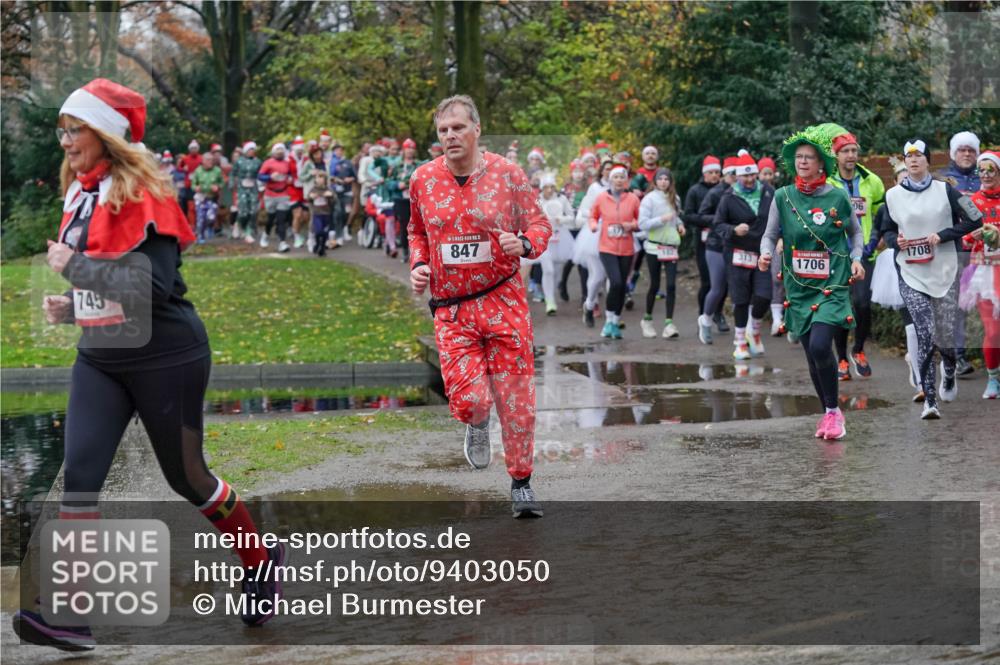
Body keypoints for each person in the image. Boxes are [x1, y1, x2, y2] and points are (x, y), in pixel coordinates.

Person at [15, 80, 284, 651]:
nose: (65, 142)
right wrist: (73, 308)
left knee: (188, 478)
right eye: (61, 131)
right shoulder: (79, 195)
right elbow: (104, 281)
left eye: (75, 129)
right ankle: (70, 617)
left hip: (168, 356)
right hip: (101, 358)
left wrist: (74, 269)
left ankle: (260, 560)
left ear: (106, 134)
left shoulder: (147, 195)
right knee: (80, 479)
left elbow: (153, 287)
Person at [408, 95, 550, 518]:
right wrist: (418, 264)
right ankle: (476, 420)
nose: (450, 136)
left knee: (517, 400)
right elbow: (417, 232)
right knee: (471, 399)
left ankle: (522, 484)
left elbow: (540, 224)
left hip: (504, 301)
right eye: (443, 130)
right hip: (453, 310)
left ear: (477, 129)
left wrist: (524, 243)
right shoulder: (423, 179)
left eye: (458, 127)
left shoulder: (508, 174)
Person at [759, 124, 866, 440]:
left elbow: (855, 232)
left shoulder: (837, 196)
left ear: (822, 163)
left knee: (821, 345)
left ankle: (833, 413)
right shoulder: (783, 196)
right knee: (812, 353)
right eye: (798, 157)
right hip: (799, 287)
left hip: (832, 283)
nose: (802, 162)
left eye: (809, 157)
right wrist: (766, 253)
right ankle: (829, 412)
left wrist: (857, 258)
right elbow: (769, 235)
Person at [879, 138, 982, 419]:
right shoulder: (892, 195)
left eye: (919, 156)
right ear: (904, 161)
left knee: (945, 335)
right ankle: (930, 401)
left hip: (945, 270)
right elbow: (886, 230)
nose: (913, 160)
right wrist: (895, 241)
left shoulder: (945, 190)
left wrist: (944, 235)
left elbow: (975, 219)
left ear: (928, 161)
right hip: (911, 271)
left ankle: (949, 370)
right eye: (908, 156)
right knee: (924, 332)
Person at [826, 128, 885, 380]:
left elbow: (882, 213)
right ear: (836, 156)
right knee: (841, 308)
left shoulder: (872, 181)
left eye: (854, 151)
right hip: (837, 256)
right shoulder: (827, 183)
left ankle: (858, 350)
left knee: (862, 304)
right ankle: (841, 359)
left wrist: (879, 238)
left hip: (865, 254)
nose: (850, 155)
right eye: (845, 151)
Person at [868, 160, 924, 399]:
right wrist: (865, 252)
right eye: (902, 180)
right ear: (893, 182)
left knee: (927, 325)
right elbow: (878, 233)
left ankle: (917, 359)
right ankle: (921, 382)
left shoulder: (926, 202)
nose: (906, 184)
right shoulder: (887, 206)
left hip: (925, 265)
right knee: (911, 324)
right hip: (897, 265)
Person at [714, 151, 774, 359]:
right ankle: (740, 342)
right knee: (740, 299)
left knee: (764, 296)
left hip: (761, 252)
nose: (749, 179)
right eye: (744, 176)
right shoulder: (729, 197)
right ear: (738, 176)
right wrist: (733, 230)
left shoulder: (768, 192)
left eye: (752, 175)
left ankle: (754, 332)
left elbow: (779, 217)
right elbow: (717, 224)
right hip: (737, 253)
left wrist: (781, 237)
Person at [938, 131, 982, 377]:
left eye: (971, 150)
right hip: (955, 250)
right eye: (962, 150)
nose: (966, 154)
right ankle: (958, 356)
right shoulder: (942, 179)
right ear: (953, 153)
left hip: (983, 251)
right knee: (957, 305)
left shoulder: (986, 175)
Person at [961, 149, 1000, 398]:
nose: (985, 175)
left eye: (990, 170)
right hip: (984, 272)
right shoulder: (972, 202)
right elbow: (962, 239)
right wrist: (971, 236)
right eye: (981, 170)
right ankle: (993, 378)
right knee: (993, 331)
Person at [591, 164, 641, 339]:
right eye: (616, 177)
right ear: (610, 180)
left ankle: (615, 322)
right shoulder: (602, 197)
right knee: (616, 283)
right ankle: (608, 321)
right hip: (607, 247)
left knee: (622, 287)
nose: (619, 180)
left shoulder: (633, 199)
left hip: (627, 248)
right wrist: (593, 225)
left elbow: (641, 220)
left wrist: (632, 225)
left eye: (622, 177)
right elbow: (593, 215)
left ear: (626, 181)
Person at [638, 167, 684, 338]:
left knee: (671, 285)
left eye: (666, 179)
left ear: (670, 182)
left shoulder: (675, 198)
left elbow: (676, 217)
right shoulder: (649, 199)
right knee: (655, 285)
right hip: (654, 247)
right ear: (655, 181)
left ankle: (669, 324)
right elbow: (642, 223)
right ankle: (647, 320)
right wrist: (661, 220)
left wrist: (680, 225)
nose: (663, 182)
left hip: (670, 247)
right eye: (660, 179)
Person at [697, 156, 738, 343]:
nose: (735, 177)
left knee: (739, 289)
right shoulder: (715, 193)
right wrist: (721, 220)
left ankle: (744, 330)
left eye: (737, 173)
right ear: (725, 174)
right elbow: (701, 215)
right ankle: (705, 320)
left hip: (739, 246)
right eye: (731, 174)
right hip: (716, 245)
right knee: (717, 288)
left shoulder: (747, 193)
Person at [683, 155, 723, 334]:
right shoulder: (695, 191)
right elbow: (688, 216)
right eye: (711, 172)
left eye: (717, 172)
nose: (714, 175)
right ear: (704, 174)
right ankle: (703, 315)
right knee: (707, 281)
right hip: (703, 240)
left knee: (722, 281)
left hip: (722, 239)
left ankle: (718, 314)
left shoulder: (726, 190)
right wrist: (711, 220)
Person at [527, 172, 575, 315]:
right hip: (543, 239)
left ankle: (552, 292)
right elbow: (529, 217)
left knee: (557, 272)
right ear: (542, 188)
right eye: (546, 187)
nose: (549, 190)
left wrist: (562, 219)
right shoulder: (536, 200)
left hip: (560, 237)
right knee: (548, 270)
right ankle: (550, 301)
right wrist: (540, 221)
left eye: (551, 187)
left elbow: (571, 216)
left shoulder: (562, 199)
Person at [574, 159, 615, 327]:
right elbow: (585, 210)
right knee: (597, 277)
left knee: (614, 278)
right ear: (602, 171)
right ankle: (590, 304)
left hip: (616, 236)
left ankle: (612, 315)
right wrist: (596, 217)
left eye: (613, 169)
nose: (610, 172)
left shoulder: (622, 190)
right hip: (595, 235)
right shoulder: (595, 188)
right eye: (607, 169)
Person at [257, 142, 294, 252]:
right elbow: (260, 176)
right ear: (274, 152)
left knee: (281, 219)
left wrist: (290, 178)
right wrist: (269, 177)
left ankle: (282, 243)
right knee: (271, 218)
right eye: (278, 150)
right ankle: (266, 234)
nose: (280, 152)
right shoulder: (268, 163)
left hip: (283, 193)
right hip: (270, 194)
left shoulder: (287, 163)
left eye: (282, 150)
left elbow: (290, 174)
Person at [388, 138, 419, 262]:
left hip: (415, 199)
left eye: (412, 148)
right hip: (401, 199)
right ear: (403, 150)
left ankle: (419, 252)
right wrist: (397, 185)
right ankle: (405, 252)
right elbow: (388, 182)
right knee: (404, 225)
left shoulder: (419, 165)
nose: (410, 151)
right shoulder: (397, 166)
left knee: (418, 226)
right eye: (407, 148)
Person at [190, 150, 224, 243]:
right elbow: (193, 184)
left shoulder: (217, 170)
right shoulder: (198, 171)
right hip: (200, 197)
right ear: (203, 161)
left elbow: (222, 182)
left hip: (212, 198)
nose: (210, 162)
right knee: (200, 218)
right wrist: (196, 187)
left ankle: (209, 226)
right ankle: (200, 236)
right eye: (208, 160)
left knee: (211, 217)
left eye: (212, 160)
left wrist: (218, 187)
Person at [232, 141, 261, 244]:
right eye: (250, 150)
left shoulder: (258, 162)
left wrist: (262, 184)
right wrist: (232, 184)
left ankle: (248, 232)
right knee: (243, 211)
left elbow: (261, 173)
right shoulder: (239, 161)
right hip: (242, 188)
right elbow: (233, 173)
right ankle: (238, 224)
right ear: (245, 151)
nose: (252, 152)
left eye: (253, 150)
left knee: (253, 211)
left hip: (253, 188)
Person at [330, 143, 357, 245]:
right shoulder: (331, 162)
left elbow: (355, 176)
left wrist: (350, 179)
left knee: (347, 211)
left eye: (340, 150)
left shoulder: (348, 162)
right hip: (335, 191)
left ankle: (345, 228)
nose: (338, 152)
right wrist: (337, 180)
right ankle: (338, 235)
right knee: (338, 212)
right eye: (336, 150)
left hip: (347, 191)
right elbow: (329, 176)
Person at [307, 170, 337, 257]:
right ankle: (317, 244)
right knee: (318, 231)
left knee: (325, 232)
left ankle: (322, 248)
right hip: (317, 213)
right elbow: (308, 199)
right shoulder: (313, 189)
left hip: (326, 213)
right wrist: (311, 197)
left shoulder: (328, 189)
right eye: (318, 178)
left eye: (321, 177)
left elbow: (334, 201)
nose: (319, 179)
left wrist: (330, 196)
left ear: (325, 179)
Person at [176, 139, 202, 227]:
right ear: (189, 149)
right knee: (190, 206)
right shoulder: (185, 159)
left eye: (195, 148)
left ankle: (199, 224)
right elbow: (178, 168)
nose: (193, 150)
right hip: (189, 185)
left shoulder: (201, 158)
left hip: (199, 185)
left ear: (198, 149)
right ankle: (192, 224)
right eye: (192, 148)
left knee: (199, 205)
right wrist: (183, 169)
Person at [289, 135, 309, 249]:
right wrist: (289, 178)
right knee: (297, 214)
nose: (300, 152)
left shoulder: (306, 159)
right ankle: (296, 236)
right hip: (293, 189)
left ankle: (298, 231)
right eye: (298, 150)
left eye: (302, 150)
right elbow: (285, 171)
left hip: (304, 188)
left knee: (305, 216)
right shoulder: (289, 159)